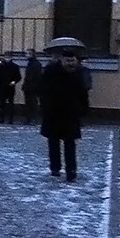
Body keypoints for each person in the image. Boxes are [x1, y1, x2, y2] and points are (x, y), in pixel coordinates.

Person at [40, 50, 88, 181]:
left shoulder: (78, 72)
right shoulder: (51, 71)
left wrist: (83, 109)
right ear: (61, 59)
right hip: (54, 112)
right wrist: (45, 105)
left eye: (72, 60)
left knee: (70, 143)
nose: (70, 63)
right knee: (54, 141)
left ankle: (71, 170)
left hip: (70, 113)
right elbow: (43, 89)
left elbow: (83, 91)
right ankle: (55, 167)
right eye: (68, 60)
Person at [0, 52, 21, 124]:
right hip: (2, 86)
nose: (7, 58)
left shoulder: (15, 66)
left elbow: (18, 77)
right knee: (2, 103)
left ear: (11, 57)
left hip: (10, 87)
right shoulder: (1, 66)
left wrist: (14, 81)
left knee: (10, 103)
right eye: (6, 57)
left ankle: (11, 119)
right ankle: (1, 118)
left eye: (8, 57)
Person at [22, 49, 43, 125]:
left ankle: (34, 119)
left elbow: (36, 77)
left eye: (27, 54)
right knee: (29, 104)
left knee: (32, 103)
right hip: (29, 87)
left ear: (32, 54)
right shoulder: (32, 63)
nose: (26, 55)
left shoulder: (35, 64)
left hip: (32, 87)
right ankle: (30, 119)